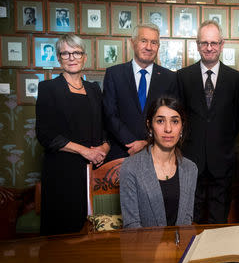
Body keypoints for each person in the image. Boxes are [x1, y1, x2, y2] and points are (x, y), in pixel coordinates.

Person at [36, 34, 110, 235]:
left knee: (91, 234)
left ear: (84, 57)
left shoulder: (94, 89)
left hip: (91, 170)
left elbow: (105, 127)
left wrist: (104, 147)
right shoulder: (48, 88)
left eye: (76, 52)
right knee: (62, 236)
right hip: (61, 172)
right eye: (66, 53)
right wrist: (85, 151)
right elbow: (45, 134)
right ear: (59, 58)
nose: (71, 57)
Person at [177, 21, 239, 224]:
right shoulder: (182, 77)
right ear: (197, 45)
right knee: (190, 221)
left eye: (214, 42)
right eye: (204, 43)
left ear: (222, 45)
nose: (209, 47)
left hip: (223, 161)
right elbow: (179, 116)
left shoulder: (237, 79)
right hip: (190, 160)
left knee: (218, 223)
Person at [103, 24, 178, 161]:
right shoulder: (114, 74)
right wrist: (133, 143)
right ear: (133, 43)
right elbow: (110, 114)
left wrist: (148, 143)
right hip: (121, 154)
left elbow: (171, 118)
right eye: (143, 41)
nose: (149, 47)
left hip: (157, 154)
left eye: (154, 42)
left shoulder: (170, 78)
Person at [120, 97, 197, 228]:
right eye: (160, 121)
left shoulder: (190, 168)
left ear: (182, 127)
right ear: (150, 126)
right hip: (144, 246)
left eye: (175, 121)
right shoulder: (131, 167)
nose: (168, 129)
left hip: (180, 246)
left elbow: (186, 220)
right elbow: (131, 225)